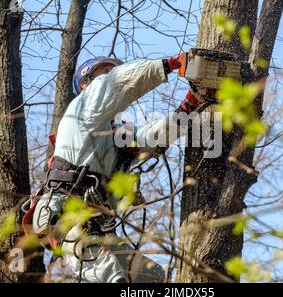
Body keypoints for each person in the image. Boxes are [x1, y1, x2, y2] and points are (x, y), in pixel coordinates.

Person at [30, 55, 212, 283]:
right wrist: (171, 63)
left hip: (98, 228)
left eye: (113, 71)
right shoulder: (82, 109)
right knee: (113, 277)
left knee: (151, 277)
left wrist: (190, 105)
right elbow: (116, 84)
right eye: (104, 71)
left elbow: (150, 138)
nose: (111, 74)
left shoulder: (113, 135)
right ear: (86, 83)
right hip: (68, 219)